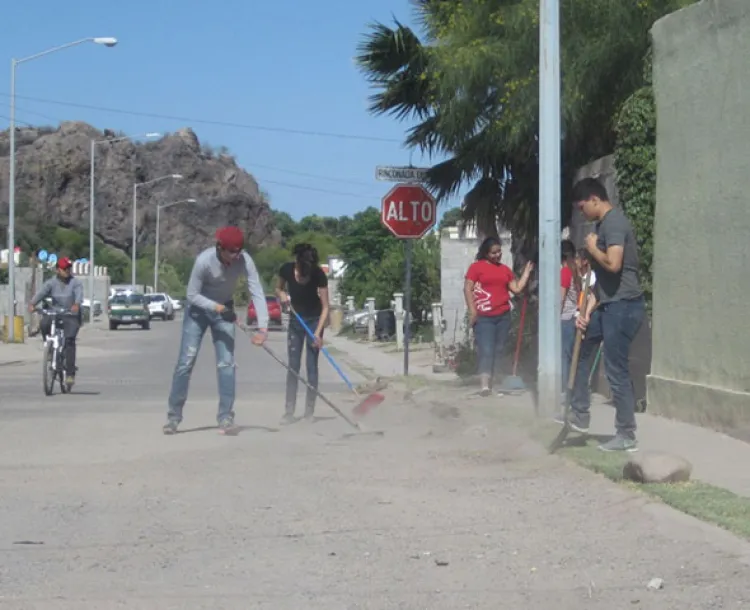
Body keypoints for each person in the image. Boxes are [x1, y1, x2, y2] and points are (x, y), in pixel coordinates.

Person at [163, 226, 269, 436]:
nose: (235, 256)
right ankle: (173, 418)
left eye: (238, 251)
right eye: (231, 251)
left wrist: (263, 328)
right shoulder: (204, 261)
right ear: (219, 248)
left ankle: (226, 418)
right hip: (198, 311)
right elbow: (192, 295)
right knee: (186, 361)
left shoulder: (244, 261)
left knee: (226, 363)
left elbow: (256, 290)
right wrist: (217, 308)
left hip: (224, 310)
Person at [568, 177, 645, 452]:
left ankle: (626, 434)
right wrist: (586, 313)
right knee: (582, 346)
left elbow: (613, 265)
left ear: (594, 199)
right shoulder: (602, 226)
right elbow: (601, 286)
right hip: (608, 304)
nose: (581, 214)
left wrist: (592, 248)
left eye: (581, 207)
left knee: (615, 369)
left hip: (623, 307)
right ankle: (579, 414)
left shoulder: (614, 223)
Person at [464, 236, 534, 396]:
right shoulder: (476, 268)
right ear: (486, 253)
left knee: (499, 349)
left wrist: (526, 273)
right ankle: (484, 386)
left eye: (499, 252)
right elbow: (467, 288)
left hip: (503, 316)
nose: (497, 255)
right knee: (486, 349)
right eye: (493, 253)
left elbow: (516, 289)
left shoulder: (504, 270)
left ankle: (494, 382)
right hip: (484, 317)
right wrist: (472, 310)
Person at [275, 243, 330, 424]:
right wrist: (283, 298)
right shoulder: (286, 270)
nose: (307, 271)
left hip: (314, 320)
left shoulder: (318, 274)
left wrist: (318, 333)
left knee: (312, 367)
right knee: (293, 367)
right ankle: (289, 411)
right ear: (297, 261)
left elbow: (325, 307)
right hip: (295, 321)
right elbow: (279, 288)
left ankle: (309, 412)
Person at [28, 257, 83, 387]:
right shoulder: (51, 283)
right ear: (58, 270)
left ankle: (70, 374)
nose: (67, 271)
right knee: (44, 324)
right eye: (64, 269)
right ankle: (50, 349)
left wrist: (76, 304)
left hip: (71, 314)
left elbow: (79, 294)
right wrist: (32, 303)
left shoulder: (76, 283)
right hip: (55, 313)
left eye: (69, 268)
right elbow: (41, 293)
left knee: (69, 340)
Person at [560, 239, 580, 394]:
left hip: (565, 318)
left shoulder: (565, 272)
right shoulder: (575, 271)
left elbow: (561, 298)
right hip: (572, 317)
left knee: (563, 356)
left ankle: (564, 390)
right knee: (568, 354)